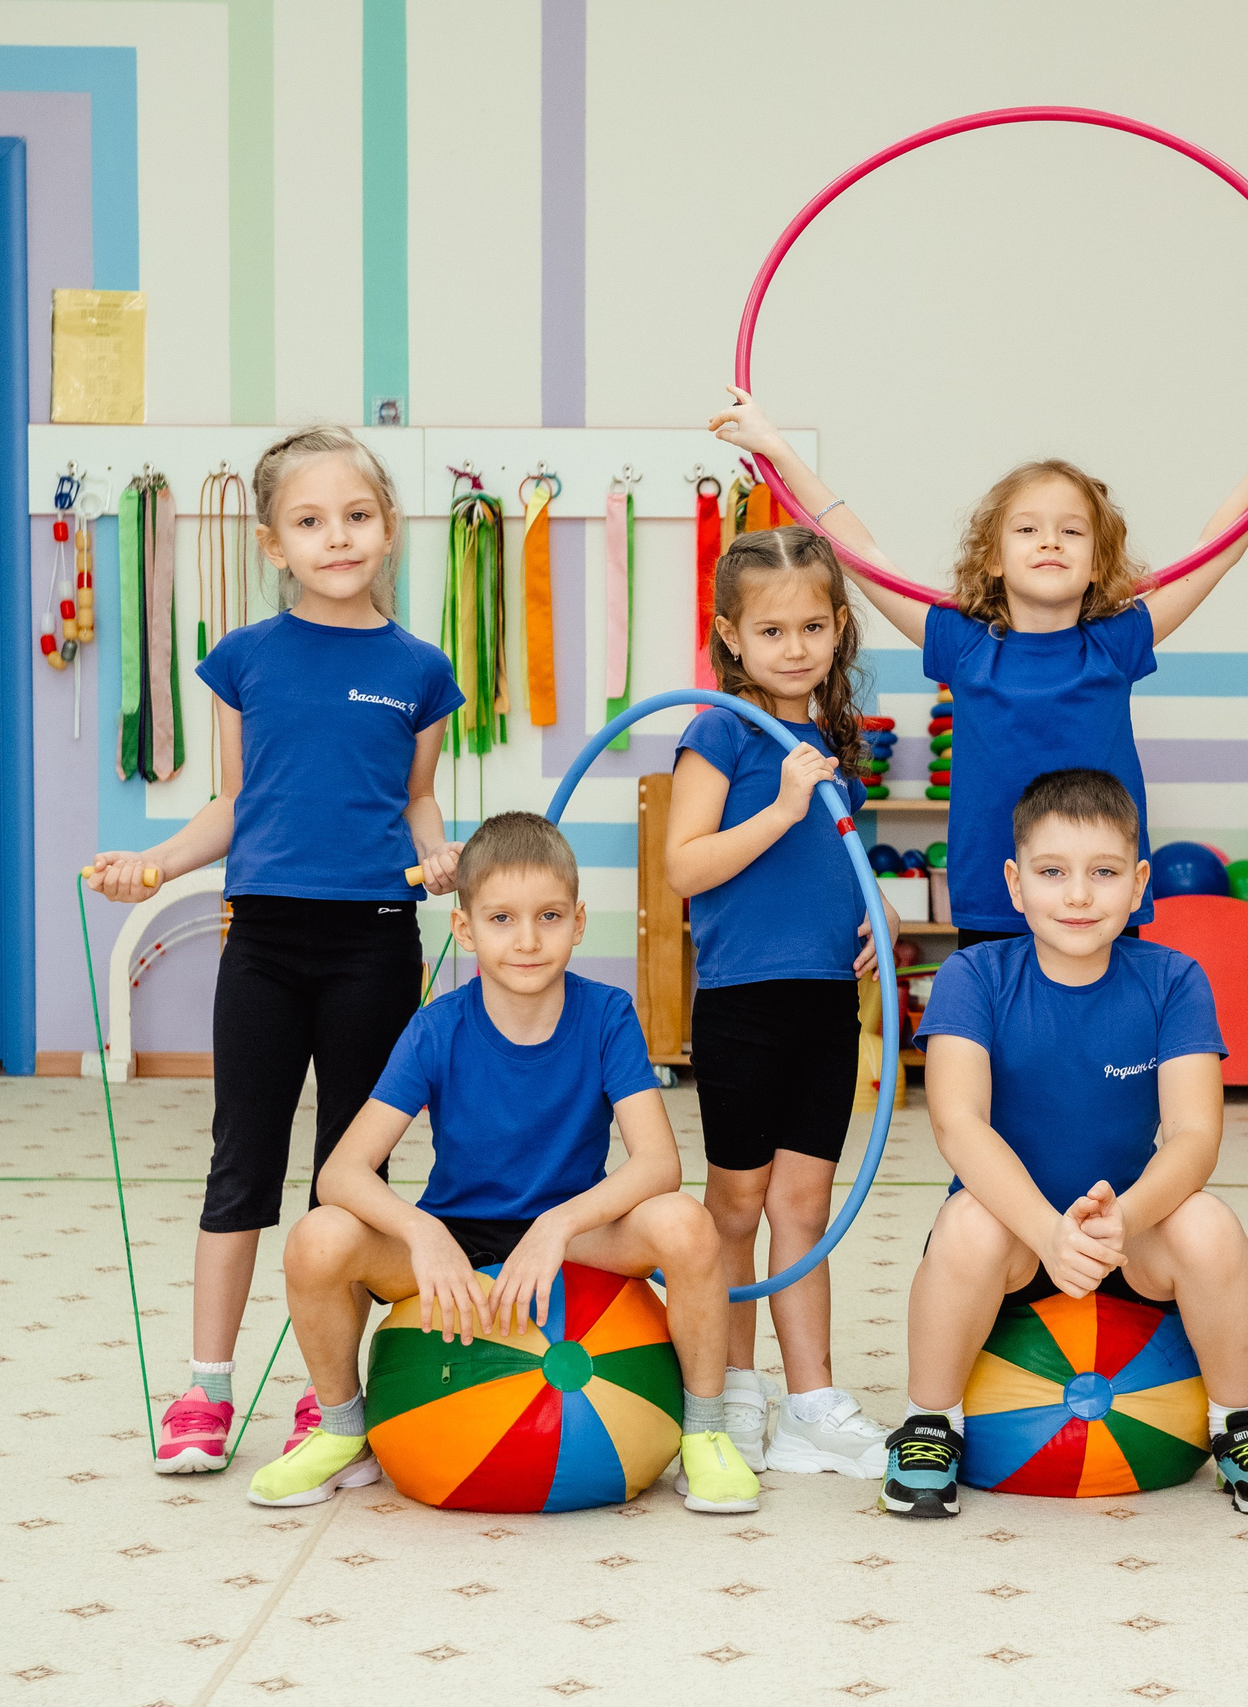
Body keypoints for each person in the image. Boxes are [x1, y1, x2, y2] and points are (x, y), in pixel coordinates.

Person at [84, 426, 464, 1476]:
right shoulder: (246, 658)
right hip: (261, 942)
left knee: (350, 1173)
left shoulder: (421, 670)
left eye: (356, 516)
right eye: (310, 521)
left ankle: (325, 1391)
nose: (336, 537)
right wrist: (155, 864)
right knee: (240, 1160)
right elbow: (235, 801)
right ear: (272, 543)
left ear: (388, 528)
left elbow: (418, 799)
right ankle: (205, 1390)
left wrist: (439, 857)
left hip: (375, 943)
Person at [709, 382, 1248, 948]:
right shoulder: (964, 644)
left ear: (1098, 563)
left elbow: (1219, 546)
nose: (1050, 540)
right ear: (993, 559)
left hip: (1101, 897)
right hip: (995, 896)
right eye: (1027, 529)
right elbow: (858, 550)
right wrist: (777, 448)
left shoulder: (1116, 643)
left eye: (1071, 531)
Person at [247, 812, 758, 1512]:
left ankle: (704, 1432)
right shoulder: (436, 1027)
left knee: (686, 1223)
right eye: (501, 918)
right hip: (459, 1232)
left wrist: (557, 1225)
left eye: (549, 916)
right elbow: (342, 1172)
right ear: (465, 929)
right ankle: (342, 1431)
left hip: (573, 1234)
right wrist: (423, 1232)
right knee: (318, 1236)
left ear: (578, 922)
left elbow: (658, 1165)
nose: (527, 940)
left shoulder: (608, 1014)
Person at [878, 768, 1248, 1520]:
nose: (1078, 895)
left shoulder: (1174, 979)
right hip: (1017, 1242)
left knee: (1209, 1223)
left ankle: (1240, 1421)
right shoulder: (972, 975)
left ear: (1139, 884)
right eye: (1052, 872)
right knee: (968, 1222)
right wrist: (1047, 1230)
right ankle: (929, 1422)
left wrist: (1126, 1218)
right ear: (1014, 884)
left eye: (1104, 873)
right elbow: (958, 1123)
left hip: (1126, 1240)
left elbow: (1195, 1135)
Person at [665, 526, 900, 1477]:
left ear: (838, 627)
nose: (794, 648)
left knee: (804, 1205)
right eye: (770, 631)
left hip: (825, 1003)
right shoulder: (720, 731)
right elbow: (686, 866)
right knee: (734, 1206)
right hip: (742, 1003)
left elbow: (836, 857)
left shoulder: (830, 740)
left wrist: (877, 906)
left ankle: (811, 1400)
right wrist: (781, 807)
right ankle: (731, 1389)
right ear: (731, 636)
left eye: (812, 627)